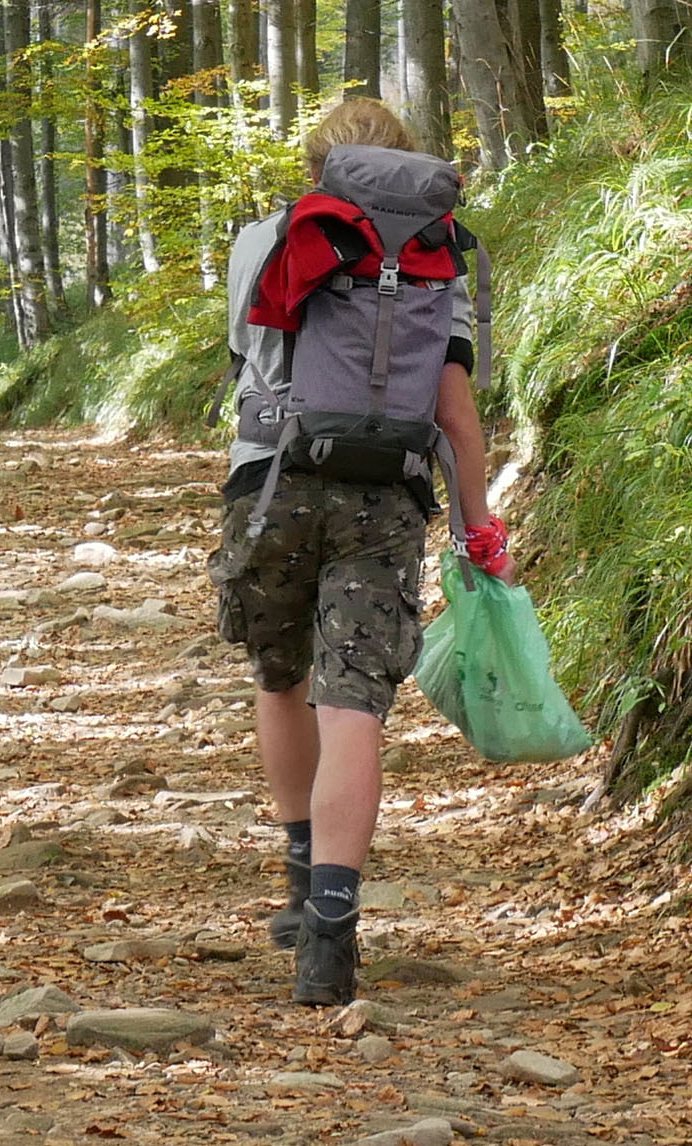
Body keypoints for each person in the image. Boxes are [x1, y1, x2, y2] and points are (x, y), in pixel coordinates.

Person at [210, 96, 517, 1006]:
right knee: (356, 707)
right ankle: (333, 938)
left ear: (317, 165)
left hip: (271, 482)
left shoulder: (267, 236)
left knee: (281, 676)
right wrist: (477, 527)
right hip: (386, 496)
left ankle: (300, 880)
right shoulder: (439, 253)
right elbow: (457, 414)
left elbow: (246, 354)